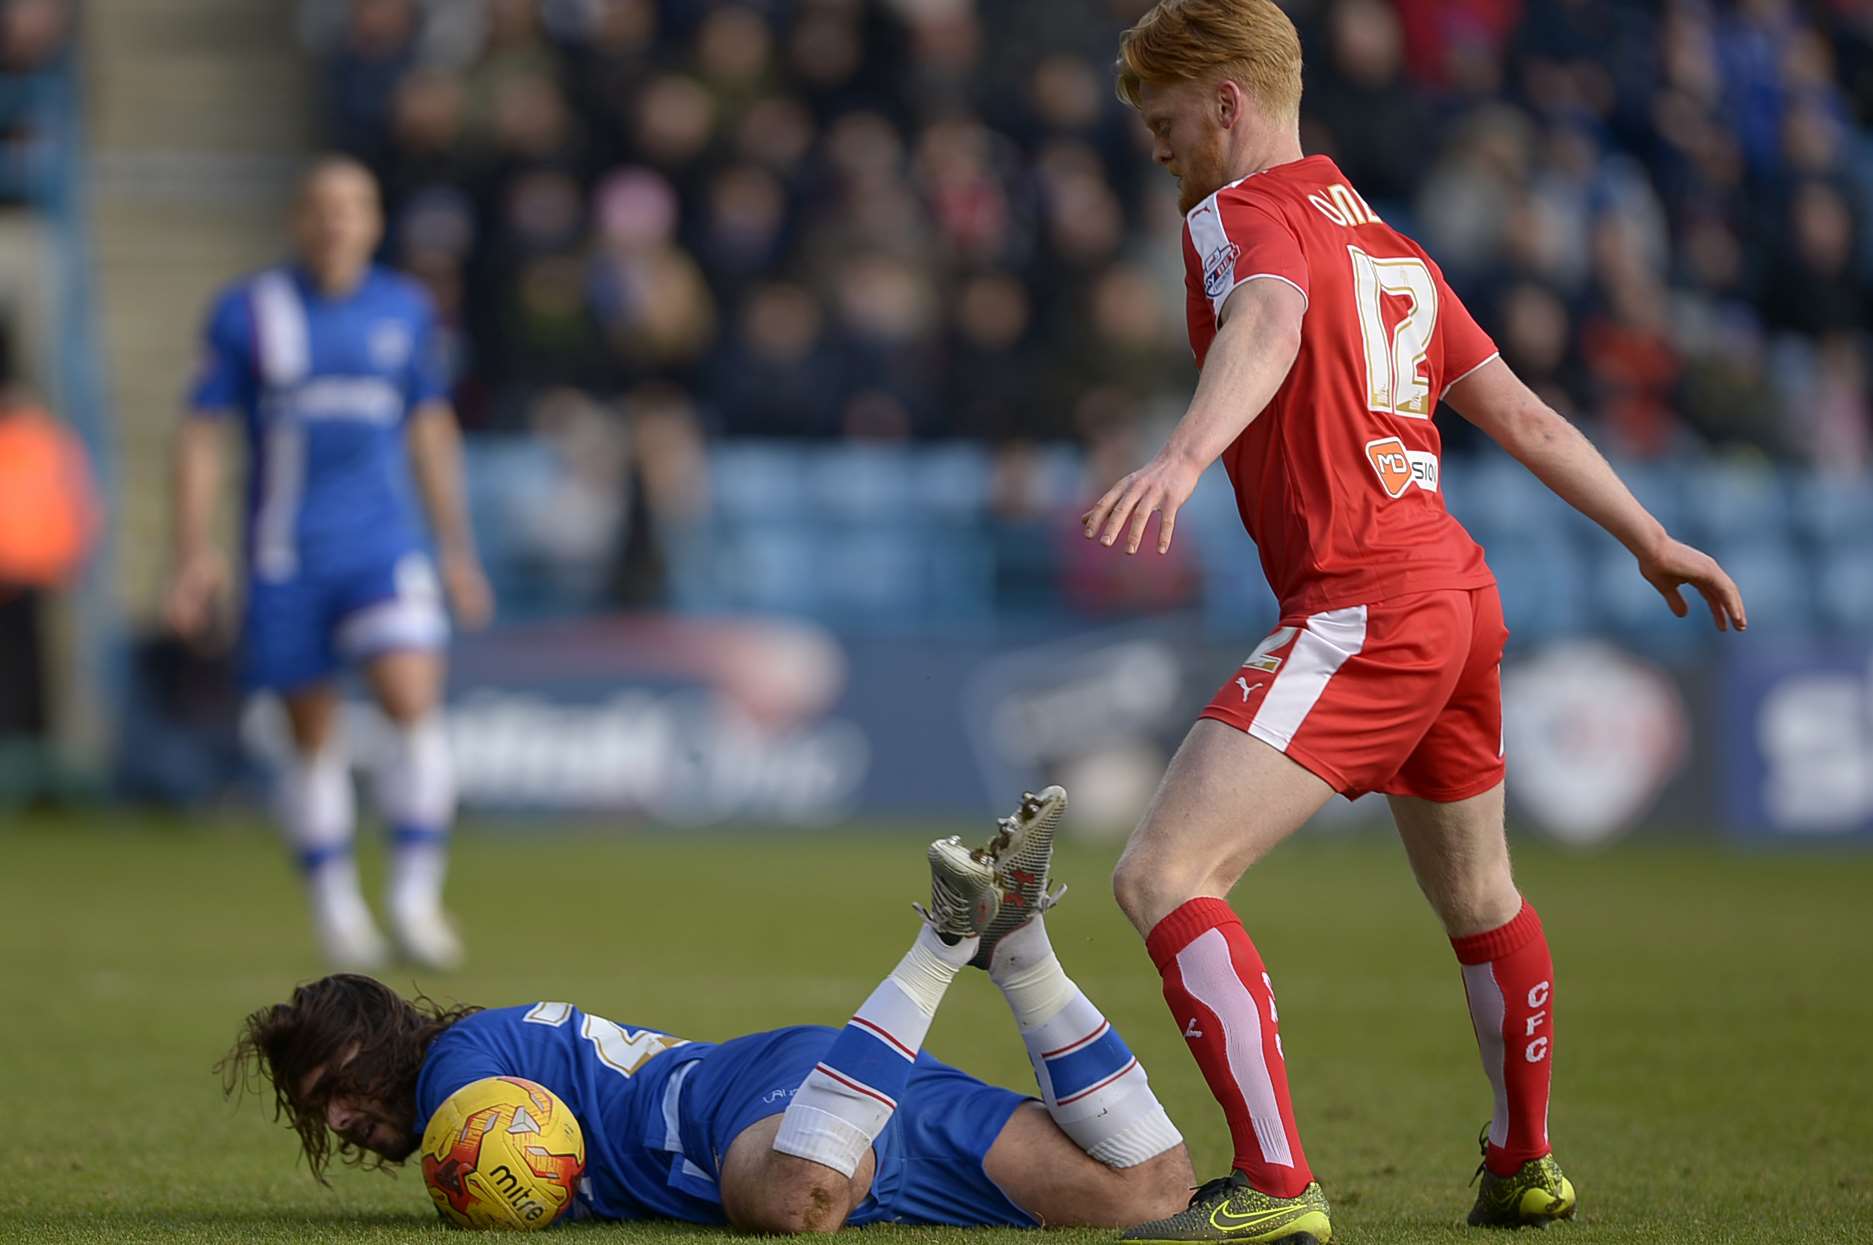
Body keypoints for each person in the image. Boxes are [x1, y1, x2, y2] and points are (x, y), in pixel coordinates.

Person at [1081, 3, 1748, 1241]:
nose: (1160, 151)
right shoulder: (1387, 242)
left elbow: (1267, 321)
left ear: (1227, 101)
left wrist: (1180, 458)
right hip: (1456, 593)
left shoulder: (1239, 215)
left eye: (1167, 123)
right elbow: (1524, 417)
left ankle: (1275, 1189)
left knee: (1163, 872)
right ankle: (1521, 1163)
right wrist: (1649, 536)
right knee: (1482, 896)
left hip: (1366, 595)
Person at [222, 790, 1195, 1231]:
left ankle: (941, 945)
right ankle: (1017, 954)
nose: (344, 1121)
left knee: (794, 1205)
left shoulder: (452, 1073)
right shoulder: (474, 1046)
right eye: (322, 1117)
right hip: (830, 1096)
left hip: (724, 1111)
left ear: (373, 1048)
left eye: (336, 1092)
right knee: (1149, 1196)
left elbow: (506, 1162)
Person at [165, 156, 492, 971]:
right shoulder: (251, 312)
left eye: (355, 205)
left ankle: (416, 898)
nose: (338, 220)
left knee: (412, 697)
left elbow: (429, 426)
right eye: (322, 206)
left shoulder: (406, 309)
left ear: (375, 221)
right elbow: (202, 434)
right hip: (285, 555)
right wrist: (193, 551)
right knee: (312, 734)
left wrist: (456, 547)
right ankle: (337, 906)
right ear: (297, 219)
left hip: (383, 545)